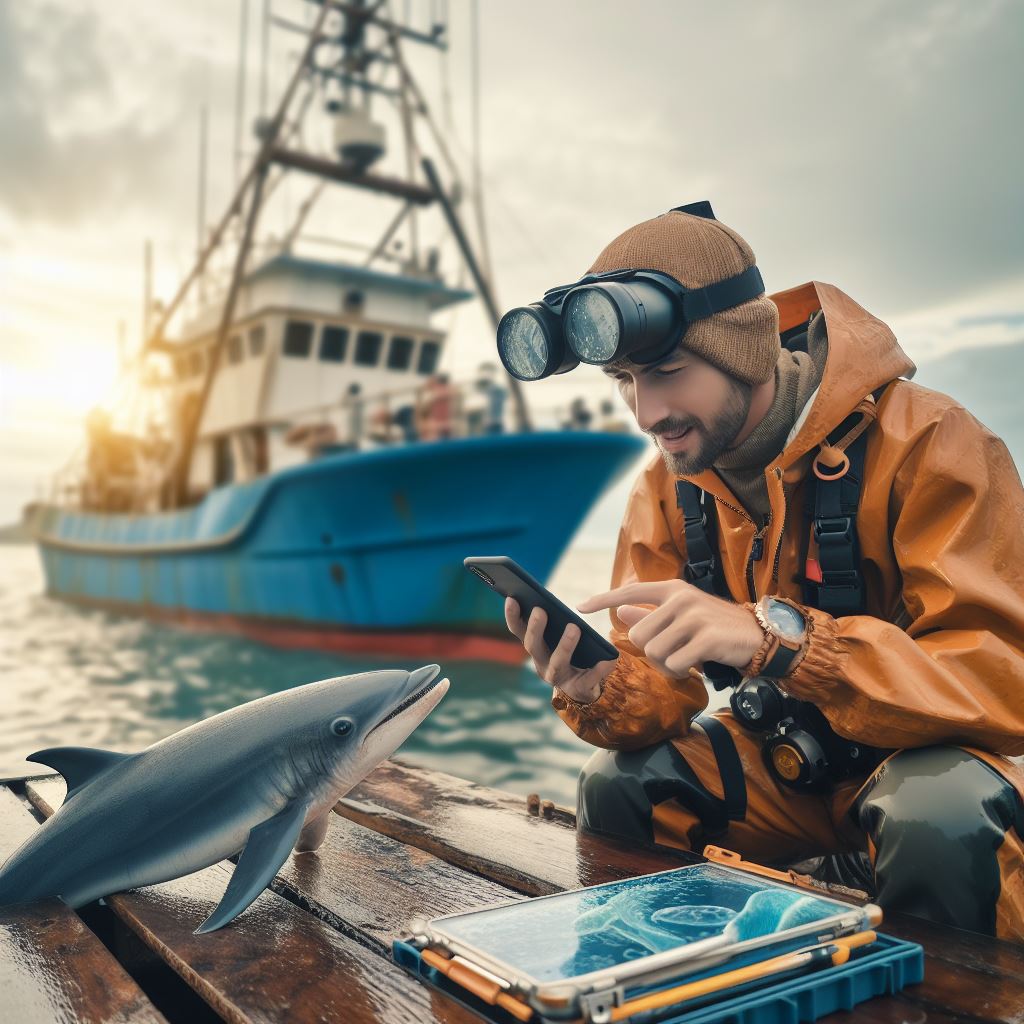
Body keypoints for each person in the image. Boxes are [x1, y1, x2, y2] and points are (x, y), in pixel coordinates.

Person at [501, 204, 1024, 942]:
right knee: (623, 787)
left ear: (745, 348)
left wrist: (777, 640)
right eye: (624, 379)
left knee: (938, 809)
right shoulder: (666, 485)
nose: (646, 412)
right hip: (795, 772)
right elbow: (658, 685)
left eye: (667, 373)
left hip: (930, 771)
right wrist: (599, 689)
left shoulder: (938, 441)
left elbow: (1005, 682)